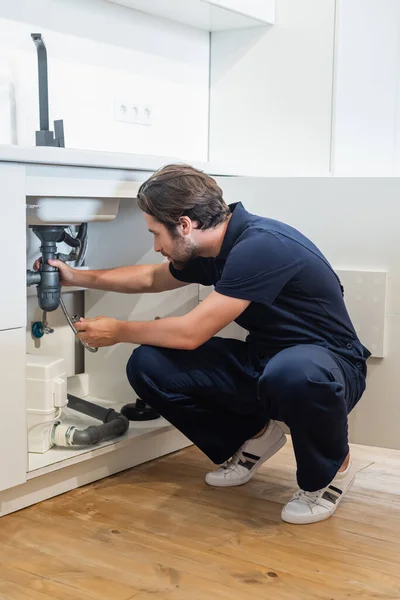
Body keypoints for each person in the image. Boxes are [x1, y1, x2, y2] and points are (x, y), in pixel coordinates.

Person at [44, 164, 370, 525]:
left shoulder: (260, 246)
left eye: (156, 234)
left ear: (185, 225)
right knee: (149, 365)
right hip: (265, 361)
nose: (155, 246)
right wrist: (76, 276)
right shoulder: (214, 248)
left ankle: (330, 473)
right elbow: (151, 278)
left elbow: (190, 333)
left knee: (293, 372)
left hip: (329, 366)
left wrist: (119, 330)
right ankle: (255, 438)